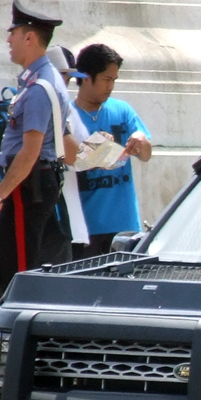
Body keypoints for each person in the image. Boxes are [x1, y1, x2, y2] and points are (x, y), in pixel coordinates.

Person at [0, 0, 74, 292]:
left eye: (14, 32)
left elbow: (29, 152)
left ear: (30, 37)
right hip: (36, 183)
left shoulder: (38, 89)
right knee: (17, 265)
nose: (8, 39)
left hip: (29, 187)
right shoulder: (42, 82)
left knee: (18, 273)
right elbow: (66, 145)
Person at [71, 43, 153, 259]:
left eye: (114, 80)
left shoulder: (122, 110)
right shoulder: (68, 116)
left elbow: (146, 154)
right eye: (107, 79)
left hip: (125, 227)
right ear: (86, 77)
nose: (111, 87)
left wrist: (140, 140)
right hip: (86, 229)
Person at [45, 45, 90, 249]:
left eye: (70, 78)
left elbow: (85, 152)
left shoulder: (67, 109)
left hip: (70, 219)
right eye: (64, 76)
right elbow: (77, 156)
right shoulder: (42, 103)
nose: (67, 83)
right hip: (49, 216)